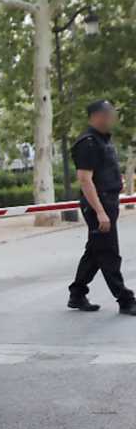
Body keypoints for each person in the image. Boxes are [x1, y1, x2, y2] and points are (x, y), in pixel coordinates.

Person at [67, 100, 136, 314]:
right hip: (99, 203)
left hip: (108, 202)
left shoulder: (103, 140)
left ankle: (77, 293)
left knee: (95, 251)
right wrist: (100, 212)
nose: (112, 118)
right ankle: (125, 299)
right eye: (109, 114)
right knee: (108, 253)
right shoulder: (87, 143)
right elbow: (85, 180)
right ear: (97, 116)